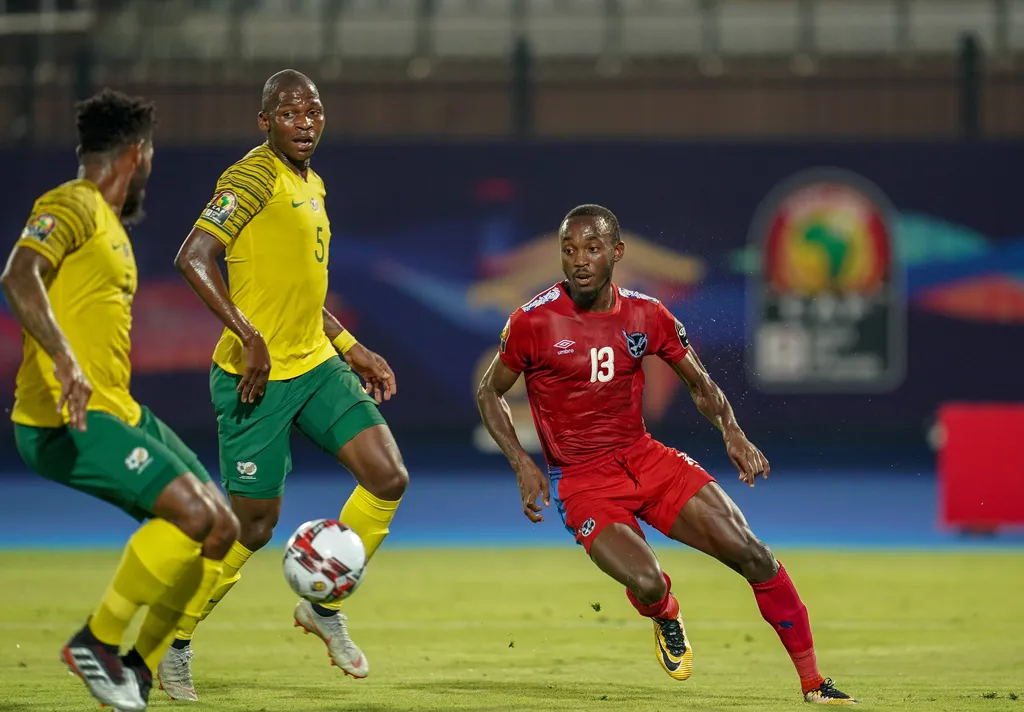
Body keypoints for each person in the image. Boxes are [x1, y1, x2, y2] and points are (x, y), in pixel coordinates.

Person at [476, 204, 857, 706]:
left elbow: (699, 384)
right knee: (648, 581)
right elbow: (490, 392)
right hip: (584, 482)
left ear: (617, 253)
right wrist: (522, 463)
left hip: (646, 460)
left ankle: (814, 685)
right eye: (569, 251)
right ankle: (664, 613)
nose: (580, 261)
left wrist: (732, 430)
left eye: (593, 249)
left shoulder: (647, 314)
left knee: (755, 555)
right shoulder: (532, 321)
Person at [160, 69, 409, 702]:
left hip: (314, 365)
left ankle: (323, 607)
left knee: (387, 476)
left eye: (314, 111)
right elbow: (193, 257)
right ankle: (175, 639)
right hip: (255, 378)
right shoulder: (251, 176)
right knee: (252, 525)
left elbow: (302, 292)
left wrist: (351, 348)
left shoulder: (312, 183)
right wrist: (247, 335)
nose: (305, 122)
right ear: (264, 121)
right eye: (290, 112)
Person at [1, 89, 239, 712]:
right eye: (152, 158)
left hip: (117, 407)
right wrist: (65, 359)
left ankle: (135, 667)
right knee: (189, 516)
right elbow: (18, 275)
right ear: (137, 154)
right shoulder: (71, 204)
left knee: (221, 529)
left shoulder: (110, 227)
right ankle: (97, 642)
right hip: (65, 418)